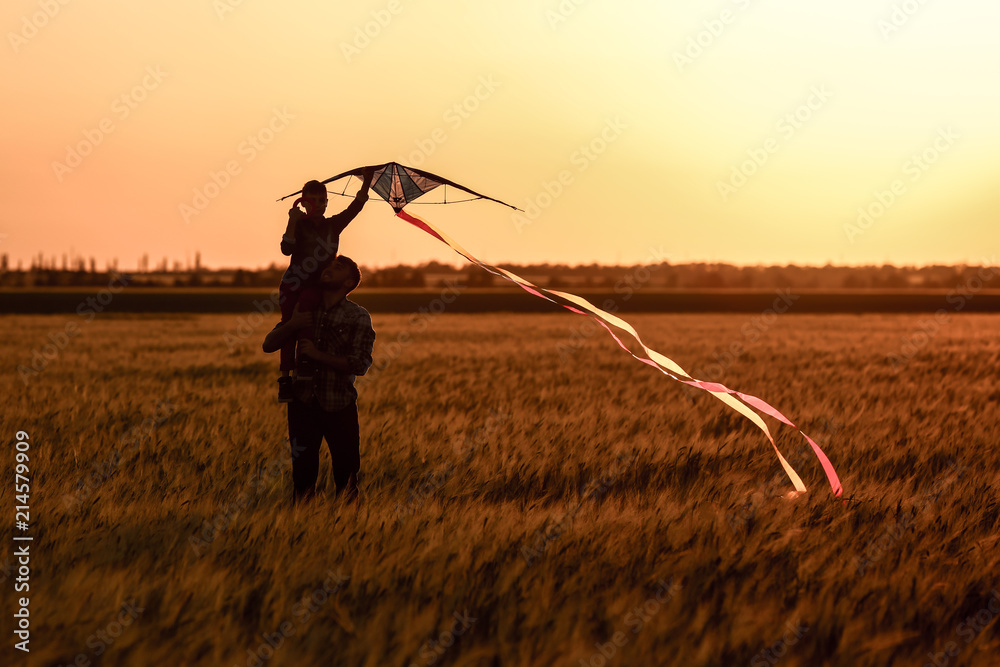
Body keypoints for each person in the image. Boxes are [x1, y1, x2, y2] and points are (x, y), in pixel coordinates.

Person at [263, 255, 376, 504]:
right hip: (302, 405)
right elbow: (268, 345)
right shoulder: (302, 308)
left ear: (349, 283)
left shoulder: (358, 317)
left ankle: (347, 531)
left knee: (346, 480)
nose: (329, 268)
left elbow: (360, 364)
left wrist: (317, 355)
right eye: (329, 265)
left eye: (338, 267)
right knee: (302, 481)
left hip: (340, 407)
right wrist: (293, 324)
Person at [276, 167, 375, 402]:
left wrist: (367, 180)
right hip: (293, 284)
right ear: (304, 202)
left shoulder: (333, 226)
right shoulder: (299, 225)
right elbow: (286, 249)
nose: (319, 204)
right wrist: (292, 220)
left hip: (316, 288)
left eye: (323, 200)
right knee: (290, 326)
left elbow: (356, 207)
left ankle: (308, 370)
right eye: (313, 200)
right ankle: (284, 378)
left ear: (328, 202)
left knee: (311, 327)